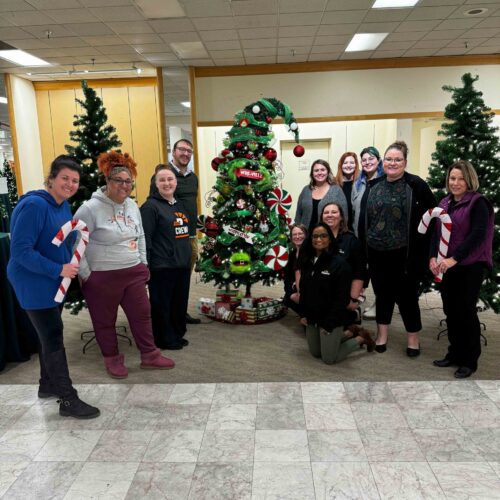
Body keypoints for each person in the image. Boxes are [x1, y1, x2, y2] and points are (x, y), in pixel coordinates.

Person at [7, 155, 100, 419]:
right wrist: (58, 269)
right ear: (51, 178)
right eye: (64, 178)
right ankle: (67, 399)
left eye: (75, 180)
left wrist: (66, 268)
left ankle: (47, 384)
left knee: (47, 334)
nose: (70, 184)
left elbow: (61, 241)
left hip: (54, 281)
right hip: (33, 282)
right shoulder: (35, 206)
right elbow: (20, 252)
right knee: (53, 335)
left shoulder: (63, 205)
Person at [75, 151, 174, 378]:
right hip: (102, 277)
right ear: (107, 181)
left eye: (128, 181)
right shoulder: (89, 209)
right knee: (104, 322)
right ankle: (112, 359)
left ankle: (150, 355)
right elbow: (75, 245)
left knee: (142, 315)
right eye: (118, 180)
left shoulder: (132, 206)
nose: (124, 185)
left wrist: (143, 264)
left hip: (133, 273)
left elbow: (140, 236)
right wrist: (87, 275)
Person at [365, 141, 435, 356]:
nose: (392, 163)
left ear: (405, 162)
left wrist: (425, 251)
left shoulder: (416, 185)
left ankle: (413, 339)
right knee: (382, 294)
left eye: (397, 159)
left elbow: (433, 215)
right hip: (377, 253)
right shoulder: (374, 185)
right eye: (388, 159)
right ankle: (382, 335)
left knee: (407, 298)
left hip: (405, 254)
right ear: (382, 162)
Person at [430, 160, 494, 379]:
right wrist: (432, 256)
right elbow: (435, 232)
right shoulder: (445, 202)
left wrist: (454, 259)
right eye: (452, 178)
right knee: (450, 311)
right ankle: (454, 353)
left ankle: (470, 360)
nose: (455, 183)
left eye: (460, 179)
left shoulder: (478, 203)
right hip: (447, 266)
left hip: (469, 266)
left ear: (469, 180)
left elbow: (477, 235)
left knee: (465, 312)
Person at [299, 223, 375, 364]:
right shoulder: (307, 261)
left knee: (329, 358)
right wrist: (303, 314)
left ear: (330, 239)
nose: (319, 239)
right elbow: (304, 290)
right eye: (315, 236)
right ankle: (351, 332)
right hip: (313, 316)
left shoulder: (340, 264)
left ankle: (361, 338)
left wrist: (329, 323)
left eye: (323, 235)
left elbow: (341, 299)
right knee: (316, 353)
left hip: (331, 317)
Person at [149, 139, 200, 325]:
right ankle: (166, 316)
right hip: (171, 239)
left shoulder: (193, 178)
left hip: (191, 236)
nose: (185, 153)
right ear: (173, 152)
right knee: (168, 279)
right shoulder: (164, 176)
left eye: (189, 150)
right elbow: (155, 205)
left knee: (183, 278)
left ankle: (180, 312)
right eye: (182, 150)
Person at [141, 164, 191, 350]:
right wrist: (145, 264)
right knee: (162, 305)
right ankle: (164, 338)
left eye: (170, 179)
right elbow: (145, 237)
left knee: (179, 302)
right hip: (162, 266)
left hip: (182, 264)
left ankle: (177, 333)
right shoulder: (150, 207)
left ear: (175, 182)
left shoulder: (178, 204)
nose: (167, 183)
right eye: (162, 180)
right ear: (156, 183)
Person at [320, 202, 366, 325]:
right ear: (321, 217)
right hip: (321, 294)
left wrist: (353, 299)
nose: (330, 215)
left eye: (334, 212)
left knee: (333, 330)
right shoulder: (315, 239)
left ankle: (359, 335)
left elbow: (359, 272)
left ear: (341, 217)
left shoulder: (351, 241)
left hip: (343, 296)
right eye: (326, 212)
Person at [295, 159, 348, 234]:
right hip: (306, 235)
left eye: (323, 170)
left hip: (329, 236)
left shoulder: (337, 190)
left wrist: (339, 234)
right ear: (312, 173)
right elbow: (298, 214)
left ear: (328, 172)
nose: (319, 173)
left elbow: (344, 215)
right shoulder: (306, 190)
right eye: (316, 170)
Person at [351, 146, 384, 238]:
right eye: (364, 160)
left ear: (379, 160)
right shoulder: (357, 185)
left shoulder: (385, 182)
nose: (367, 162)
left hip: (379, 239)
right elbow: (353, 212)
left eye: (371, 159)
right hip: (359, 236)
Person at [283, 223, 307, 315]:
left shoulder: (311, 253)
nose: (297, 237)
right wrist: (291, 294)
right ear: (291, 237)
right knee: (288, 299)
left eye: (300, 233)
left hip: (309, 291)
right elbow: (287, 279)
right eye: (294, 234)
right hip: (295, 291)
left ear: (306, 235)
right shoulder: (291, 255)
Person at [335, 152, 360, 230]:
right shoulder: (334, 184)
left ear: (356, 165)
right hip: (339, 226)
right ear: (341, 165)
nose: (348, 165)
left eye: (352, 163)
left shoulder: (361, 183)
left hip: (357, 226)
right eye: (345, 163)